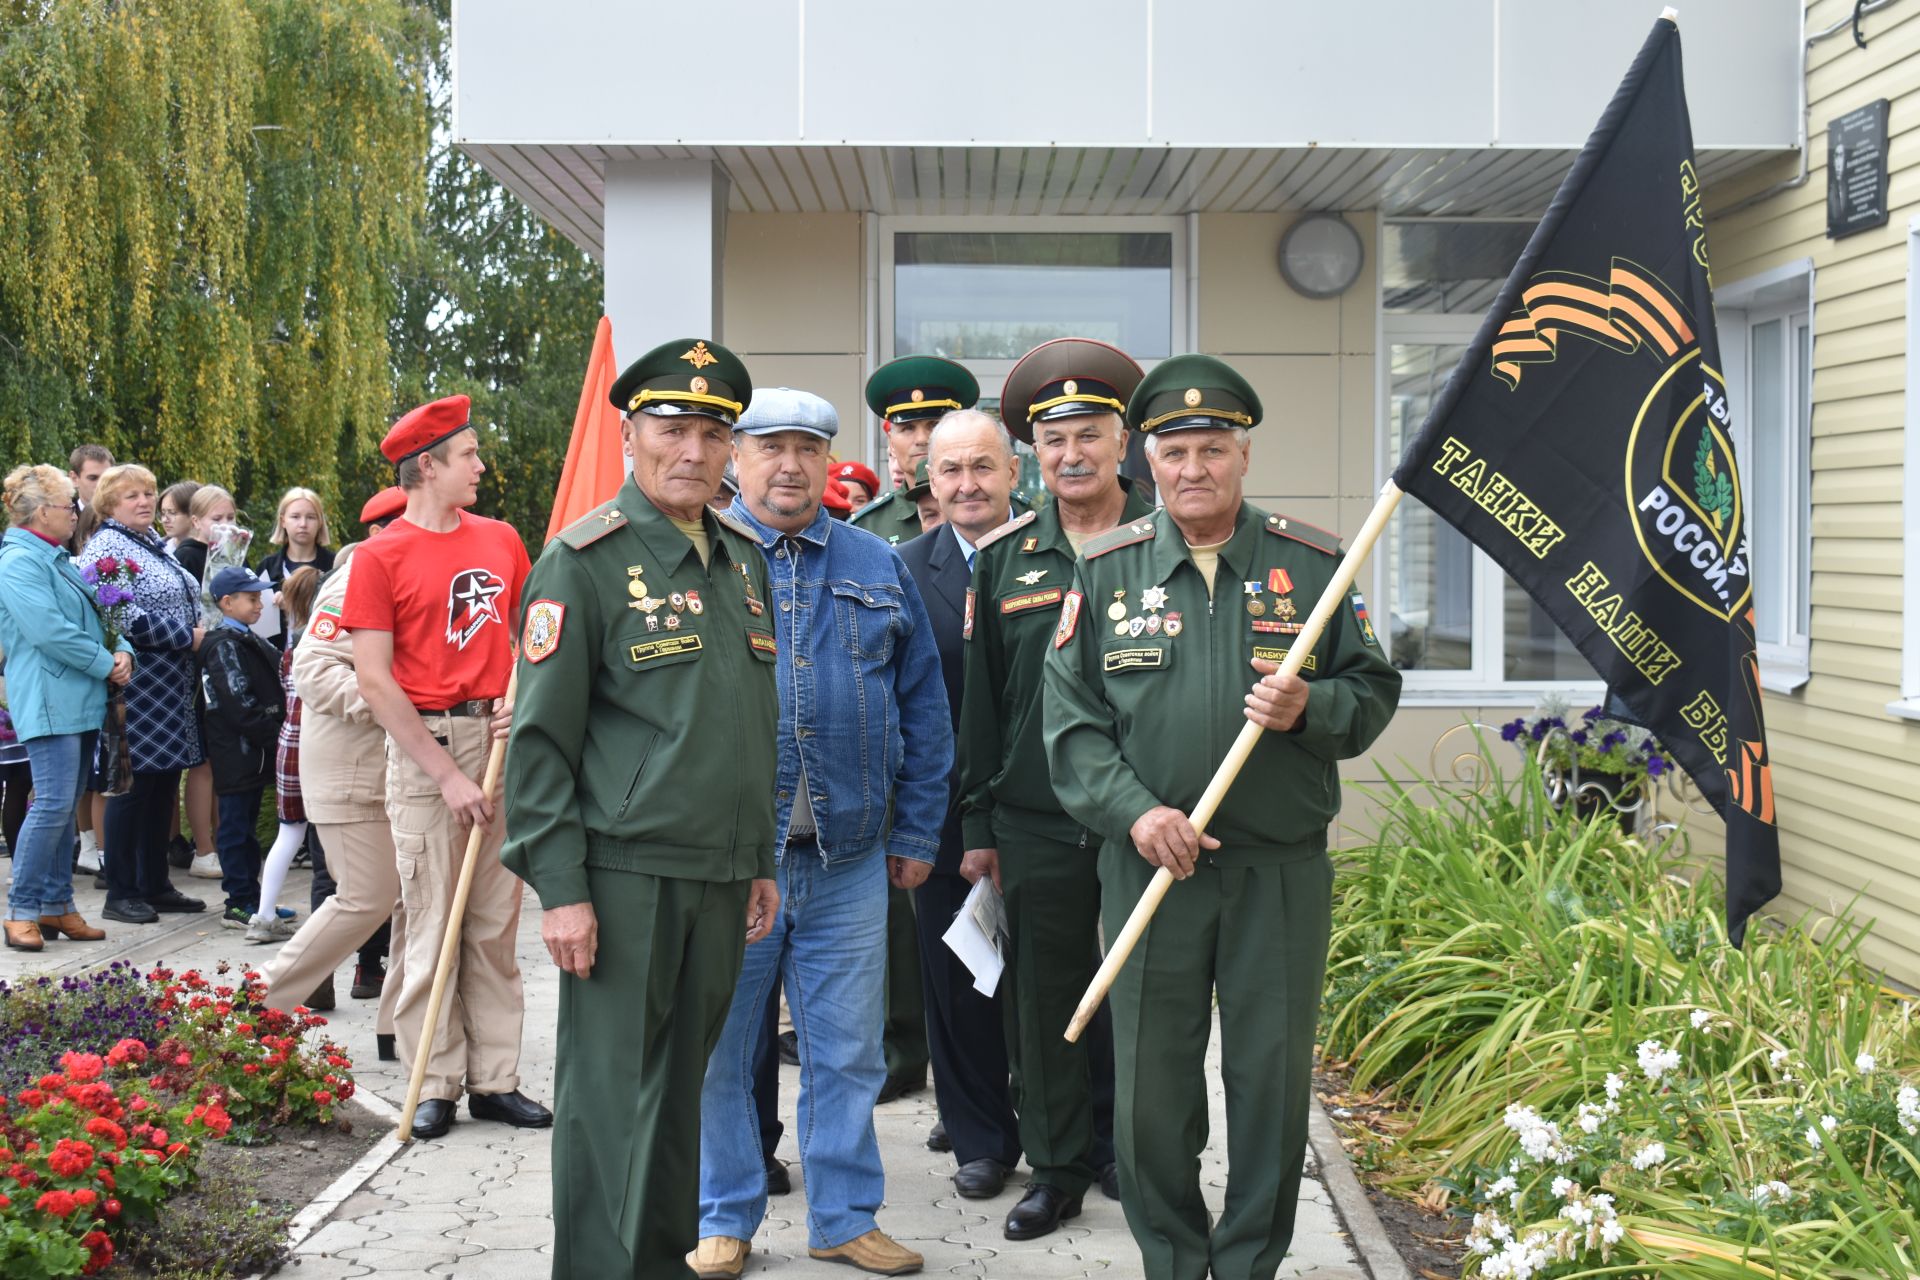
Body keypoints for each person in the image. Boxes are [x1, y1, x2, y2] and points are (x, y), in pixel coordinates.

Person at [1043, 355, 1402, 1280]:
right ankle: (1172, 1257)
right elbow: (1073, 729)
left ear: (1243, 457)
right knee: (1153, 1089)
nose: (1194, 468)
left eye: (1214, 449)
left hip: (1277, 871)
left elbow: (1370, 692)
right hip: (1152, 868)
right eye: (1175, 452)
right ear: (1146, 464)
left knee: (1270, 1081)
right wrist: (1133, 813)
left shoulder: (1315, 566)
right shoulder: (1108, 571)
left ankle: (1247, 1261)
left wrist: (1308, 709)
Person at [501, 338, 781, 1279]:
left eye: (713, 433)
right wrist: (562, 890)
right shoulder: (582, 563)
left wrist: (759, 860)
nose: (693, 451)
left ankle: (657, 1264)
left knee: (678, 1099)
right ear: (632, 437)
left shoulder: (742, 558)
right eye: (672, 429)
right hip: (620, 878)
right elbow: (539, 746)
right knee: (608, 1101)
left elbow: (745, 725)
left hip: (717, 874)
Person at [692, 386, 950, 1280]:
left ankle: (843, 1217)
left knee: (847, 1051)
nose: (791, 465)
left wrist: (917, 829)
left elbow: (925, 706)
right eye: (770, 448)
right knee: (723, 1047)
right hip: (735, 858)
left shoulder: (878, 563)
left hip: (849, 857)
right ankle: (724, 1215)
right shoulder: (704, 561)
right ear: (737, 459)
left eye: (808, 447)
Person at [957, 338, 1151, 1237]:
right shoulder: (1003, 558)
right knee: (1044, 1006)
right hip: (1037, 819)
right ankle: (1060, 1166)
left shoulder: (1168, 541)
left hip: (1150, 817)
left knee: (1157, 995)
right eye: (1053, 438)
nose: (1071, 454)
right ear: (1033, 452)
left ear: (1124, 442)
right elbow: (985, 706)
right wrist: (979, 823)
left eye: (1089, 434)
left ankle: (1146, 1158)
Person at [339, 394, 548, 1141]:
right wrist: (446, 774)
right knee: (432, 919)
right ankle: (435, 1082)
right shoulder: (379, 555)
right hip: (428, 751)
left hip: (499, 744)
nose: (482, 465)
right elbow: (373, 680)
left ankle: (496, 1080)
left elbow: (534, 635)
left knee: (492, 923)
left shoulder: (500, 540)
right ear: (427, 467)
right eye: (469, 455)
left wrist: (521, 705)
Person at [894, 411, 1024, 1201]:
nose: (968, 485)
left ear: (1014, 472)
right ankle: (980, 1139)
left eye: (983, 467)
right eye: (951, 472)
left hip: (1048, 814)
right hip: (940, 818)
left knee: (1056, 983)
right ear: (930, 483)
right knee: (959, 985)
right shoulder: (900, 569)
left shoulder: (1064, 558)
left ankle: (1080, 1133)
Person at [264, 484, 412, 1056]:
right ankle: (262, 1003)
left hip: (398, 768)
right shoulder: (354, 577)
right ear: (378, 533)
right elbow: (315, 671)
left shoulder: (415, 573)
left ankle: (398, 1023)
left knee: (411, 901)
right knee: (364, 897)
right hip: (354, 767)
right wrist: (401, 708)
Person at [0, 464, 126, 950]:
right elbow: (48, 630)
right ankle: (23, 909)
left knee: (62, 805)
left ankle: (57, 906)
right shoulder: (19, 562)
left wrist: (123, 652)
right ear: (39, 512)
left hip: (77, 696)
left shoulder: (55, 558)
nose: (77, 513)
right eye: (69, 504)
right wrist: (105, 664)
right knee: (52, 805)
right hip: (50, 698)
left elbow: (103, 615)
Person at [81, 464, 208, 926]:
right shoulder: (106, 547)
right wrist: (186, 637)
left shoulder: (151, 543)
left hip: (171, 683)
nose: (144, 501)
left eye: (150, 492)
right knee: (130, 787)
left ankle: (155, 883)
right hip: (137, 681)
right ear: (110, 503)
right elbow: (117, 615)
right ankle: (121, 890)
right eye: (132, 494)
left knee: (160, 787)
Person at [197, 565, 289, 932]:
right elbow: (238, 703)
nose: (260, 604)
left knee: (248, 828)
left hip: (253, 752)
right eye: (252, 598)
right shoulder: (223, 646)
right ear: (227, 602)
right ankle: (238, 902)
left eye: (260, 597)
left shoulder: (246, 639)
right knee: (235, 828)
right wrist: (273, 736)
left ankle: (256, 898)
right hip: (237, 751)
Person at [250, 565, 323, 943]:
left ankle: (263, 915)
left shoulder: (292, 649)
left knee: (289, 833)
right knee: (325, 840)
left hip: (288, 744)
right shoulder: (325, 643)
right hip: (317, 745)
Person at [176, 483, 242, 880]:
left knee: (218, 760)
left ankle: (217, 842)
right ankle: (203, 846)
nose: (225, 526)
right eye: (217, 519)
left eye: (230, 518)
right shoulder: (189, 554)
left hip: (219, 655)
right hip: (198, 660)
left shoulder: (227, 554)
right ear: (197, 520)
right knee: (203, 763)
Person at [848, 355, 980, 548]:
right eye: (908, 428)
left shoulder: (1002, 508)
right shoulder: (866, 528)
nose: (922, 439)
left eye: (934, 425)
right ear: (891, 443)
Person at [258, 487, 336, 647]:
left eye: (311, 517)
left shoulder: (334, 566)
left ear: (320, 522)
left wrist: (298, 603)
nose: (303, 524)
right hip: (274, 662)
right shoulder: (267, 567)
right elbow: (253, 620)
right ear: (283, 521)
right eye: (295, 516)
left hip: (320, 656)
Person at [67, 444, 113, 554]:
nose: (101, 485)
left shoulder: (127, 517)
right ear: (74, 479)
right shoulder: (63, 518)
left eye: (107, 478)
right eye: (93, 478)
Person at [157, 481, 199, 553]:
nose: (164, 520)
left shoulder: (212, 551)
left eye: (172, 513)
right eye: (163, 513)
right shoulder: (158, 549)